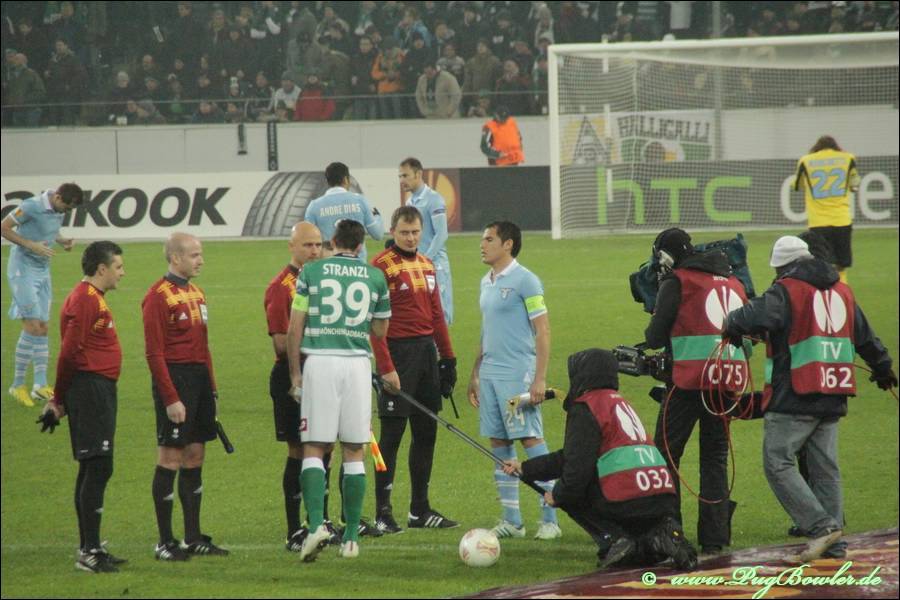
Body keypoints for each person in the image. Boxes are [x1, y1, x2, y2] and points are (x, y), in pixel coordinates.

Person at [723, 236, 897, 562]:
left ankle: (820, 527)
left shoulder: (786, 289)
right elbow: (865, 336)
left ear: (784, 266)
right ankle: (834, 546)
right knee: (825, 469)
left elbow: (745, 317)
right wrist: (883, 368)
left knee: (777, 463)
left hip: (796, 391)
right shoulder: (842, 290)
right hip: (835, 391)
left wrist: (731, 325)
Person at [503, 349, 698, 570]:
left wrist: (558, 495)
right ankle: (656, 538)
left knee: (572, 489)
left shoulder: (587, 406)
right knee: (584, 481)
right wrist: (526, 468)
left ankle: (614, 539)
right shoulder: (619, 403)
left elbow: (575, 469)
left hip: (626, 497)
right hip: (661, 498)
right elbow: (572, 456)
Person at [287, 220, 391, 562]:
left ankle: (316, 525)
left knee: (315, 447)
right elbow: (380, 329)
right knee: (354, 450)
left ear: (333, 241)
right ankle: (350, 539)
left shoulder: (311, 272)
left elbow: (295, 327)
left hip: (320, 363)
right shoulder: (375, 276)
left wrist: (295, 375)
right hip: (357, 365)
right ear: (360, 245)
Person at [643, 227, 748, 555]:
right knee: (715, 457)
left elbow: (654, 337)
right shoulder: (733, 281)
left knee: (666, 453)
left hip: (689, 379)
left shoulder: (678, 281)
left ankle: (670, 532)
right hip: (727, 380)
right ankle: (715, 536)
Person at [466, 221, 561, 540]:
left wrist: (539, 378)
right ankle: (512, 521)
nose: (482, 244)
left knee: (530, 439)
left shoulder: (526, 280)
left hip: (517, 373)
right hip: (490, 374)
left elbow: (543, 330)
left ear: (507, 244)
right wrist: (475, 373)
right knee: (498, 442)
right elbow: (486, 330)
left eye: (489, 239)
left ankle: (550, 519)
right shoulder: (487, 281)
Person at [38, 241, 126, 573]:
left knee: (94, 466)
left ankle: (91, 545)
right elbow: (69, 352)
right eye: (118, 267)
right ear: (102, 269)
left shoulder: (92, 297)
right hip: (89, 390)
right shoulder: (86, 299)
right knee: (98, 466)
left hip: (96, 388)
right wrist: (58, 399)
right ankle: (88, 550)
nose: (122, 272)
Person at [370, 206, 458, 534]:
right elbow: (374, 325)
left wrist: (447, 359)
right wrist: (386, 368)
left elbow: (437, 316)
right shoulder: (380, 266)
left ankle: (419, 509)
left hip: (425, 355)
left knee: (426, 433)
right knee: (391, 436)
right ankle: (382, 511)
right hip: (397, 355)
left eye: (415, 232)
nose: (410, 238)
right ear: (392, 231)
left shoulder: (426, 264)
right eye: (404, 232)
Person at [143, 233, 228, 561]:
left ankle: (193, 537)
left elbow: (204, 347)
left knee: (194, 455)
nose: (200, 260)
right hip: (175, 381)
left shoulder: (197, 293)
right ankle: (165, 542)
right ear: (175, 258)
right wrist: (170, 398)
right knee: (170, 458)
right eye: (194, 255)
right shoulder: (157, 297)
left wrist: (212, 388)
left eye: (200, 254)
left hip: (199, 381)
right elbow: (154, 353)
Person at [265, 222, 335, 551]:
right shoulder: (281, 287)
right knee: (298, 450)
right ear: (291, 246)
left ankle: (321, 521)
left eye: (318, 244)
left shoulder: (323, 280)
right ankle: (294, 529)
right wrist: (321, 338)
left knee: (326, 447)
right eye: (307, 245)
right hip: (293, 376)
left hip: (324, 373)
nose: (314, 251)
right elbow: (281, 343)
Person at [3, 183, 83, 407]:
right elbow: (4, 228)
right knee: (32, 326)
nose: (66, 212)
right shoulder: (31, 206)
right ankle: (17, 384)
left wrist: (62, 240)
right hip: (22, 269)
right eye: (67, 207)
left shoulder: (57, 209)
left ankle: (40, 385)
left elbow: (50, 230)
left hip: (43, 270)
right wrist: (31, 245)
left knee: (44, 327)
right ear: (58, 197)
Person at [792, 135, 860, 283]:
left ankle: (825, 293)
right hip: (842, 220)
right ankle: (842, 291)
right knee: (841, 265)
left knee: (821, 263)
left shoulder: (806, 160)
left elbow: (796, 185)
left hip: (818, 222)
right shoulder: (848, 158)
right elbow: (855, 185)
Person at [398, 157, 453, 324]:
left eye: (405, 175)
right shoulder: (409, 202)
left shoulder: (434, 199)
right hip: (417, 267)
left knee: (440, 317)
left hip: (435, 266)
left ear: (418, 174)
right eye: (400, 176)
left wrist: (425, 260)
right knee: (421, 316)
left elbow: (442, 234)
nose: (402, 180)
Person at [303, 162, 384, 262]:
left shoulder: (314, 206)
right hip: (357, 266)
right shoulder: (360, 201)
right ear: (346, 179)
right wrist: (378, 217)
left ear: (328, 181)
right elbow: (378, 235)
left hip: (329, 266)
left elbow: (306, 239)